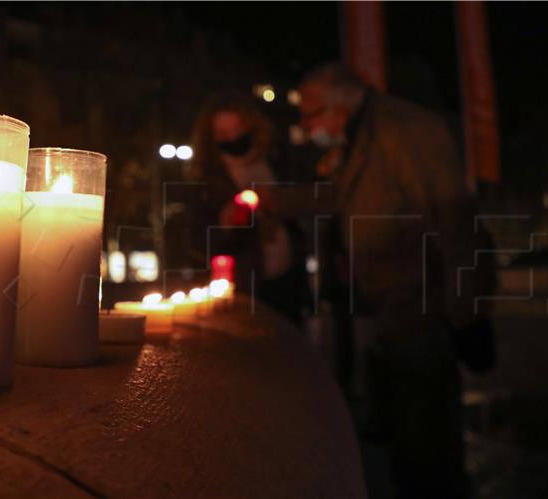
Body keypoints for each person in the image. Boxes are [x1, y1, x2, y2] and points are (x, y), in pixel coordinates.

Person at [259, 64, 495, 499]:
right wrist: (274, 200)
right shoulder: (365, 138)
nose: (307, 127)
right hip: (395, 309)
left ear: (342, 103)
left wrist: (466, 313)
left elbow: (456, 224)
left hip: (423, 308)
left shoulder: (404, 131)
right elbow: (337, 197)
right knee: (409, 436)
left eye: (312, 114)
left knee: (428, 443)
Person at [189, 92, 311, 326]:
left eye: (238, 128)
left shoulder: (277, 161)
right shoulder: (207, 183)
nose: (234, 137)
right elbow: (198, 244)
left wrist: (277, 202)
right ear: (211, 138)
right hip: (247, 287)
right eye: (224, 133)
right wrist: (226, 225)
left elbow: (304, 205)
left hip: (289, 279)